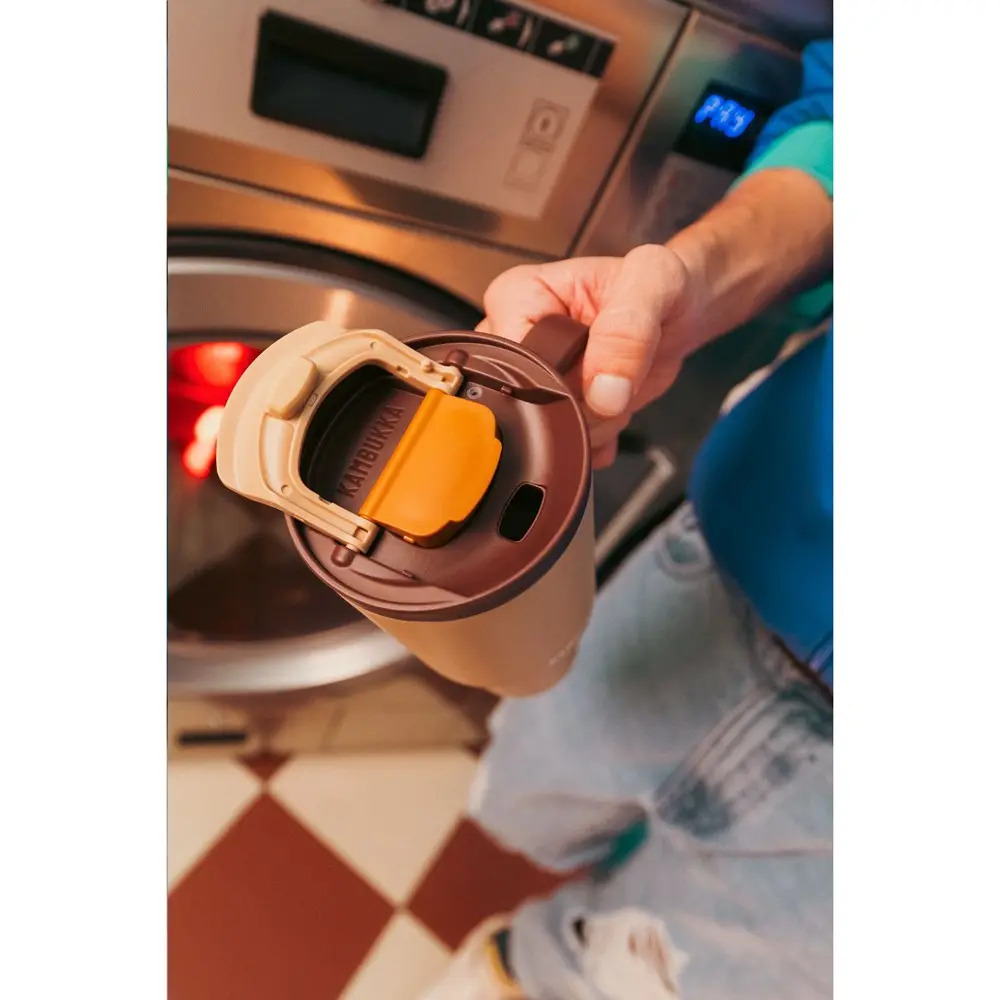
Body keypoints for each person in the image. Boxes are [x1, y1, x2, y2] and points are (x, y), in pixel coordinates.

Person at [421, 38, 833, 1000]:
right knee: (526, 795)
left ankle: (527, 973)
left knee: (614, 981)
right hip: (740, 544)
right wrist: (692, 282)